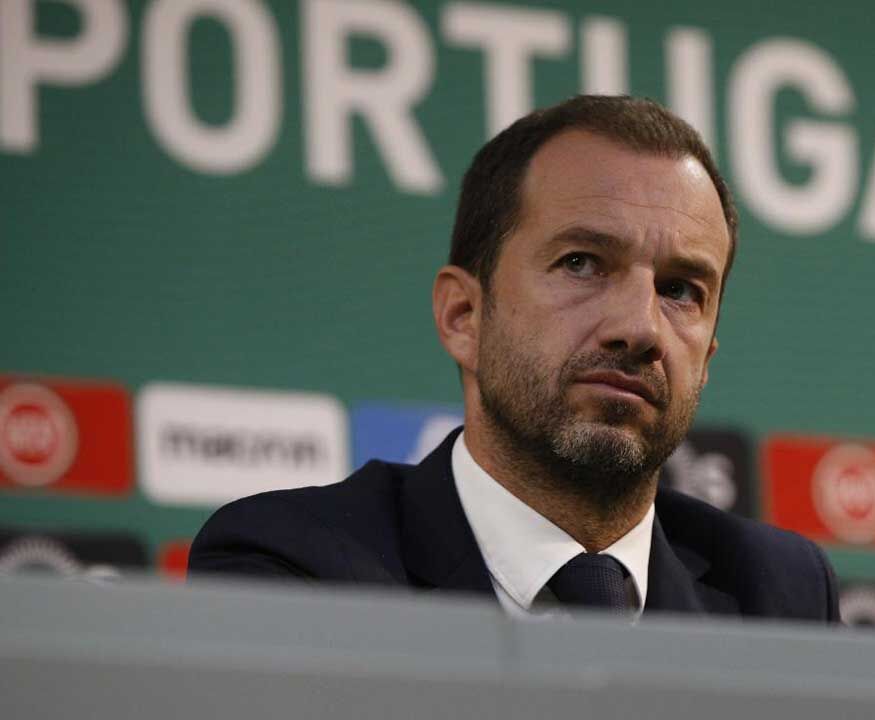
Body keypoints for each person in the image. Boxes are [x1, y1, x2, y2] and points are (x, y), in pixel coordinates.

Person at [190, 95, 839, 622]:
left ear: (708, 355)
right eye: (581, 263)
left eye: (680, 290)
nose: (640, 328)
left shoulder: (779, 596)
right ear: (463, 316)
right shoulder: (298, 566)